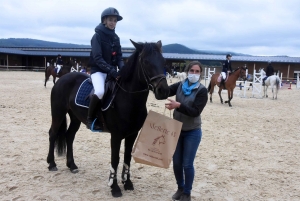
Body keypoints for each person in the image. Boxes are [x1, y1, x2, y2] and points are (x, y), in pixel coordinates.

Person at [165, 61, 208, 201]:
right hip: (177, 130)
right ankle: (180, 188)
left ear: (200, 73)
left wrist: (178, 105)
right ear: (187, 71)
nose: (194, 74)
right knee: (176, 162)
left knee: (187, 164)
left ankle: (187, 193)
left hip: (192, 131)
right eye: (192, 71)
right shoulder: (180, 85)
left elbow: (195, 111)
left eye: (197, 71)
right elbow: (164, 91)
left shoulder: (202, 90)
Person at [86, 7, 124, 131]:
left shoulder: (116, 38)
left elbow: (119, 57)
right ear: (104, 21)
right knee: (100, 92)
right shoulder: (97, 36)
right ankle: (90, 118)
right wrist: (112, 71)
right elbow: (97, 58)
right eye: (110, 20)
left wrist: (122, 70)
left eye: (115, 20)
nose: (113, 22)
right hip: (98, 71)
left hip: (111, 71)